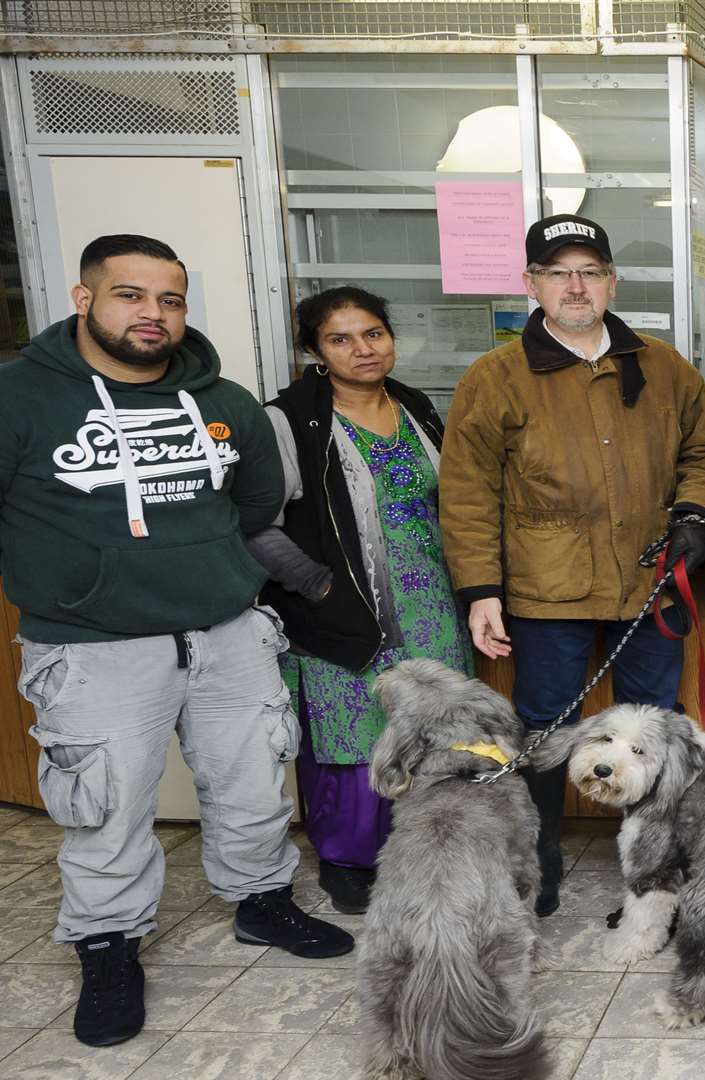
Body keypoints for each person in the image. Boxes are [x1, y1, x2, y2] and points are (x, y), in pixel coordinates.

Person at [0, 235, 352, 1047]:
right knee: (109, 804)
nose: (151, 315)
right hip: (93, 646)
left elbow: (258, 508)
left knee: (253, 779)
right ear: (85, 298)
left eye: (169, 300)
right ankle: (108, 942)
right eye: (130, 295)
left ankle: (262, 903)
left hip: (227, 631)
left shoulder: (222, 400)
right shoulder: (20, 398)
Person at [441, 214, 705, 917]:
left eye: (590, 272)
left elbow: (704, 455)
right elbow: (467, 490)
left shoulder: (664, 367)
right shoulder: (495, 376)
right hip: (548, 588)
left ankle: (658, 866)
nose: (575, 286)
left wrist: (694, 514)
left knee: (656, 729)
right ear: (531, 283)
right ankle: (537, 864)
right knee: (544, 727)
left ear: (611, 282)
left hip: (650, 584)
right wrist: (481, 590)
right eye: (558, 273)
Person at [246, 286, 472, 915]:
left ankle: (426, 849)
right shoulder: (290, 419)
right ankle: (349, 860)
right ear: (314, 350)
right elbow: (254, 521)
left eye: (373, 333)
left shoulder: (415, 405)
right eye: (340, 339)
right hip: (343, 607)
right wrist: (314, 584)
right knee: (353, 734)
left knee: (432, 730)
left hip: (430, 603)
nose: (362, 350)